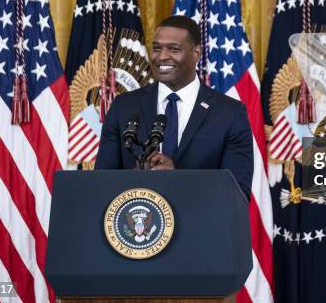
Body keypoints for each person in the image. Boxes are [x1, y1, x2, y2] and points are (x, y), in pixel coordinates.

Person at [95, 15, 253, 199]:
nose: (161, 57)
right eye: (156, 48)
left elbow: (238, 193)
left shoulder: (229, 113)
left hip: (201, 226)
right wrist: (134, 178)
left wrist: (178, 179)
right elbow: (101, 184)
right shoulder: (123, 107)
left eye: (173, 49)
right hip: (137, 224)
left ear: (196, 53)